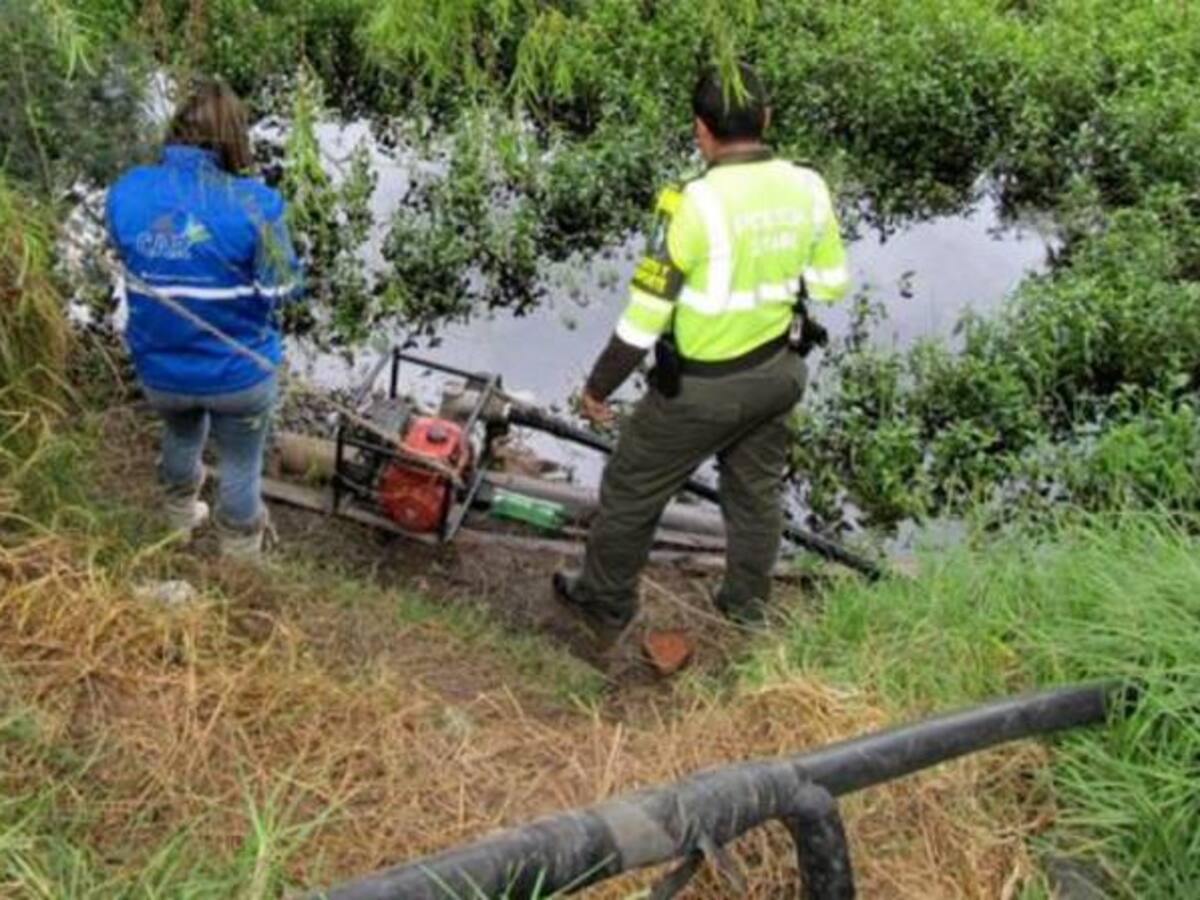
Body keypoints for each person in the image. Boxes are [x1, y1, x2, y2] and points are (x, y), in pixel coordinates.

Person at [554, 63, 849, 629]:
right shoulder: (809, 186)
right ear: (766, 118)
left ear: (700, 130)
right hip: (778, 375)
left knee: (630, 487)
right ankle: (745, 606)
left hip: (699, 392)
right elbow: (832, 283)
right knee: (756, 493)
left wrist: (597, 389)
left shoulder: (692, 204)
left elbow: (642, 323)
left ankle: (605, 600)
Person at [106, 78, 302, 559]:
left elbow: (123, 251)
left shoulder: (126, 191)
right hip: (238, 373)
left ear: (174, 131)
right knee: (240, 463)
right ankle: (238, 558)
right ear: (235, 137)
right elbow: (281, 289)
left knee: (179, 434)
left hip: (161, 370)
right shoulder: (259, 203)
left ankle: (178, 523)